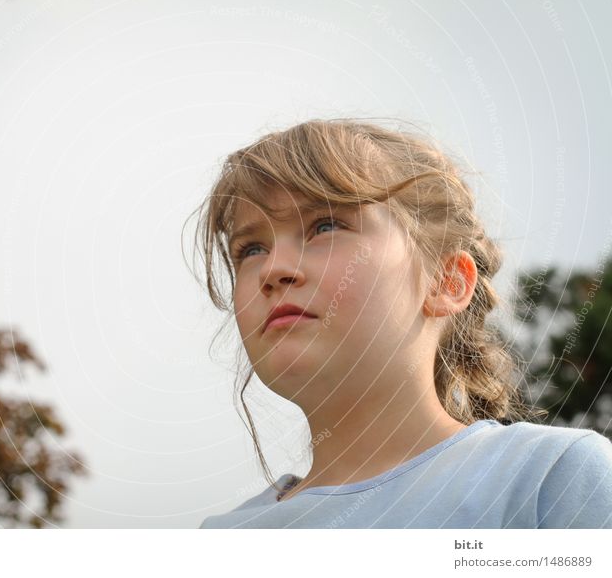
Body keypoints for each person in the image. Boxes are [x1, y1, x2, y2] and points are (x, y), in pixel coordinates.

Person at [191, 118, 612, 528]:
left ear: (446, 282)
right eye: (250, 249)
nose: (273, 269)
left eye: (326, 225)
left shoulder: (551, 481)